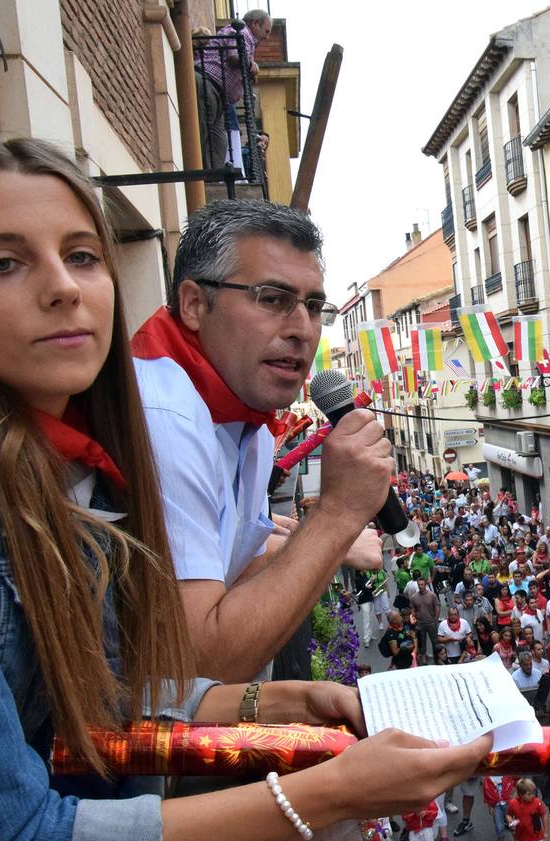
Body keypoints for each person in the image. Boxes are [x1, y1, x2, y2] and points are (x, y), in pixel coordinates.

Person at [0, 134, 488, 841]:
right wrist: (330, 789)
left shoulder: (61, 459)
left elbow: (111, 688)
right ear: (191, 303)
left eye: (83, 257)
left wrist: (291, 699)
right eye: (4, 262)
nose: (62, 288)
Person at [132, 198, 386, 682]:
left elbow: (238, 568)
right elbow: (199, 666)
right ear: (193, 304)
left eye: (314, 307)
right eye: (272, 299)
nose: (302, 329)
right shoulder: (162, 412)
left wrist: (330, 542)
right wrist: (338, 516)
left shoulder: (247, 418)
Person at [195, 10, 272, 170]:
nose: (267, 37)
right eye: (266, 31)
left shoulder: (246, 38)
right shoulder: (242, 31)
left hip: (219, 97)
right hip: (208, 85)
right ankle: (191, 176)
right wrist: (251, 65)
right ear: (255, 23)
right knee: (198, 138)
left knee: (218, 145)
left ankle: (211, 185)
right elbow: (233, 56)